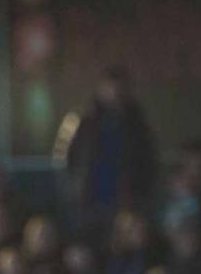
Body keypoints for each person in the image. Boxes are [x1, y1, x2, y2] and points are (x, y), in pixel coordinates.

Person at [54, 66, 158, 232]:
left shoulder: (138, 124)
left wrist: (142, 200)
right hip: (89, 201)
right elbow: (63, 157)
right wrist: (72, 192)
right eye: (110, 87)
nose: (115, 93)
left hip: (126, 203)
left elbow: (149, 163)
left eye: (120, 88)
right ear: (101, 88)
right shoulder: (81, 120)